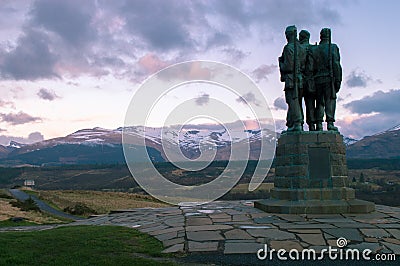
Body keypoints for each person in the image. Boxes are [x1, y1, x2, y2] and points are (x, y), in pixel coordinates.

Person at [313, 28, 342, 131]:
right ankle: (330, 123)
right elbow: (336, 64)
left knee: (319, 102)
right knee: (330, 101)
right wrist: (338, 80)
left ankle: (319, 124)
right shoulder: (333, 47)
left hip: (317, 79)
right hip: (329, 79)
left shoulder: (315, 49)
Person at [278, 25, 306, 132]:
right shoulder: (302, 48)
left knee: (293, 101)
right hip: (301, 79)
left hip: (291, 79)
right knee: (297, 101)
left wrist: (281, 63)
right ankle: (293, 123)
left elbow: (288, 66)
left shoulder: (288, 48)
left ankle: (297, 123)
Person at [299, 30, 317, 131]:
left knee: (297, 103)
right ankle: (312, 125)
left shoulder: (299, 49)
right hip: (312, 80)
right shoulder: (314, 49)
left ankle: (299, 125)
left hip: (300, 79)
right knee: (310, 104)